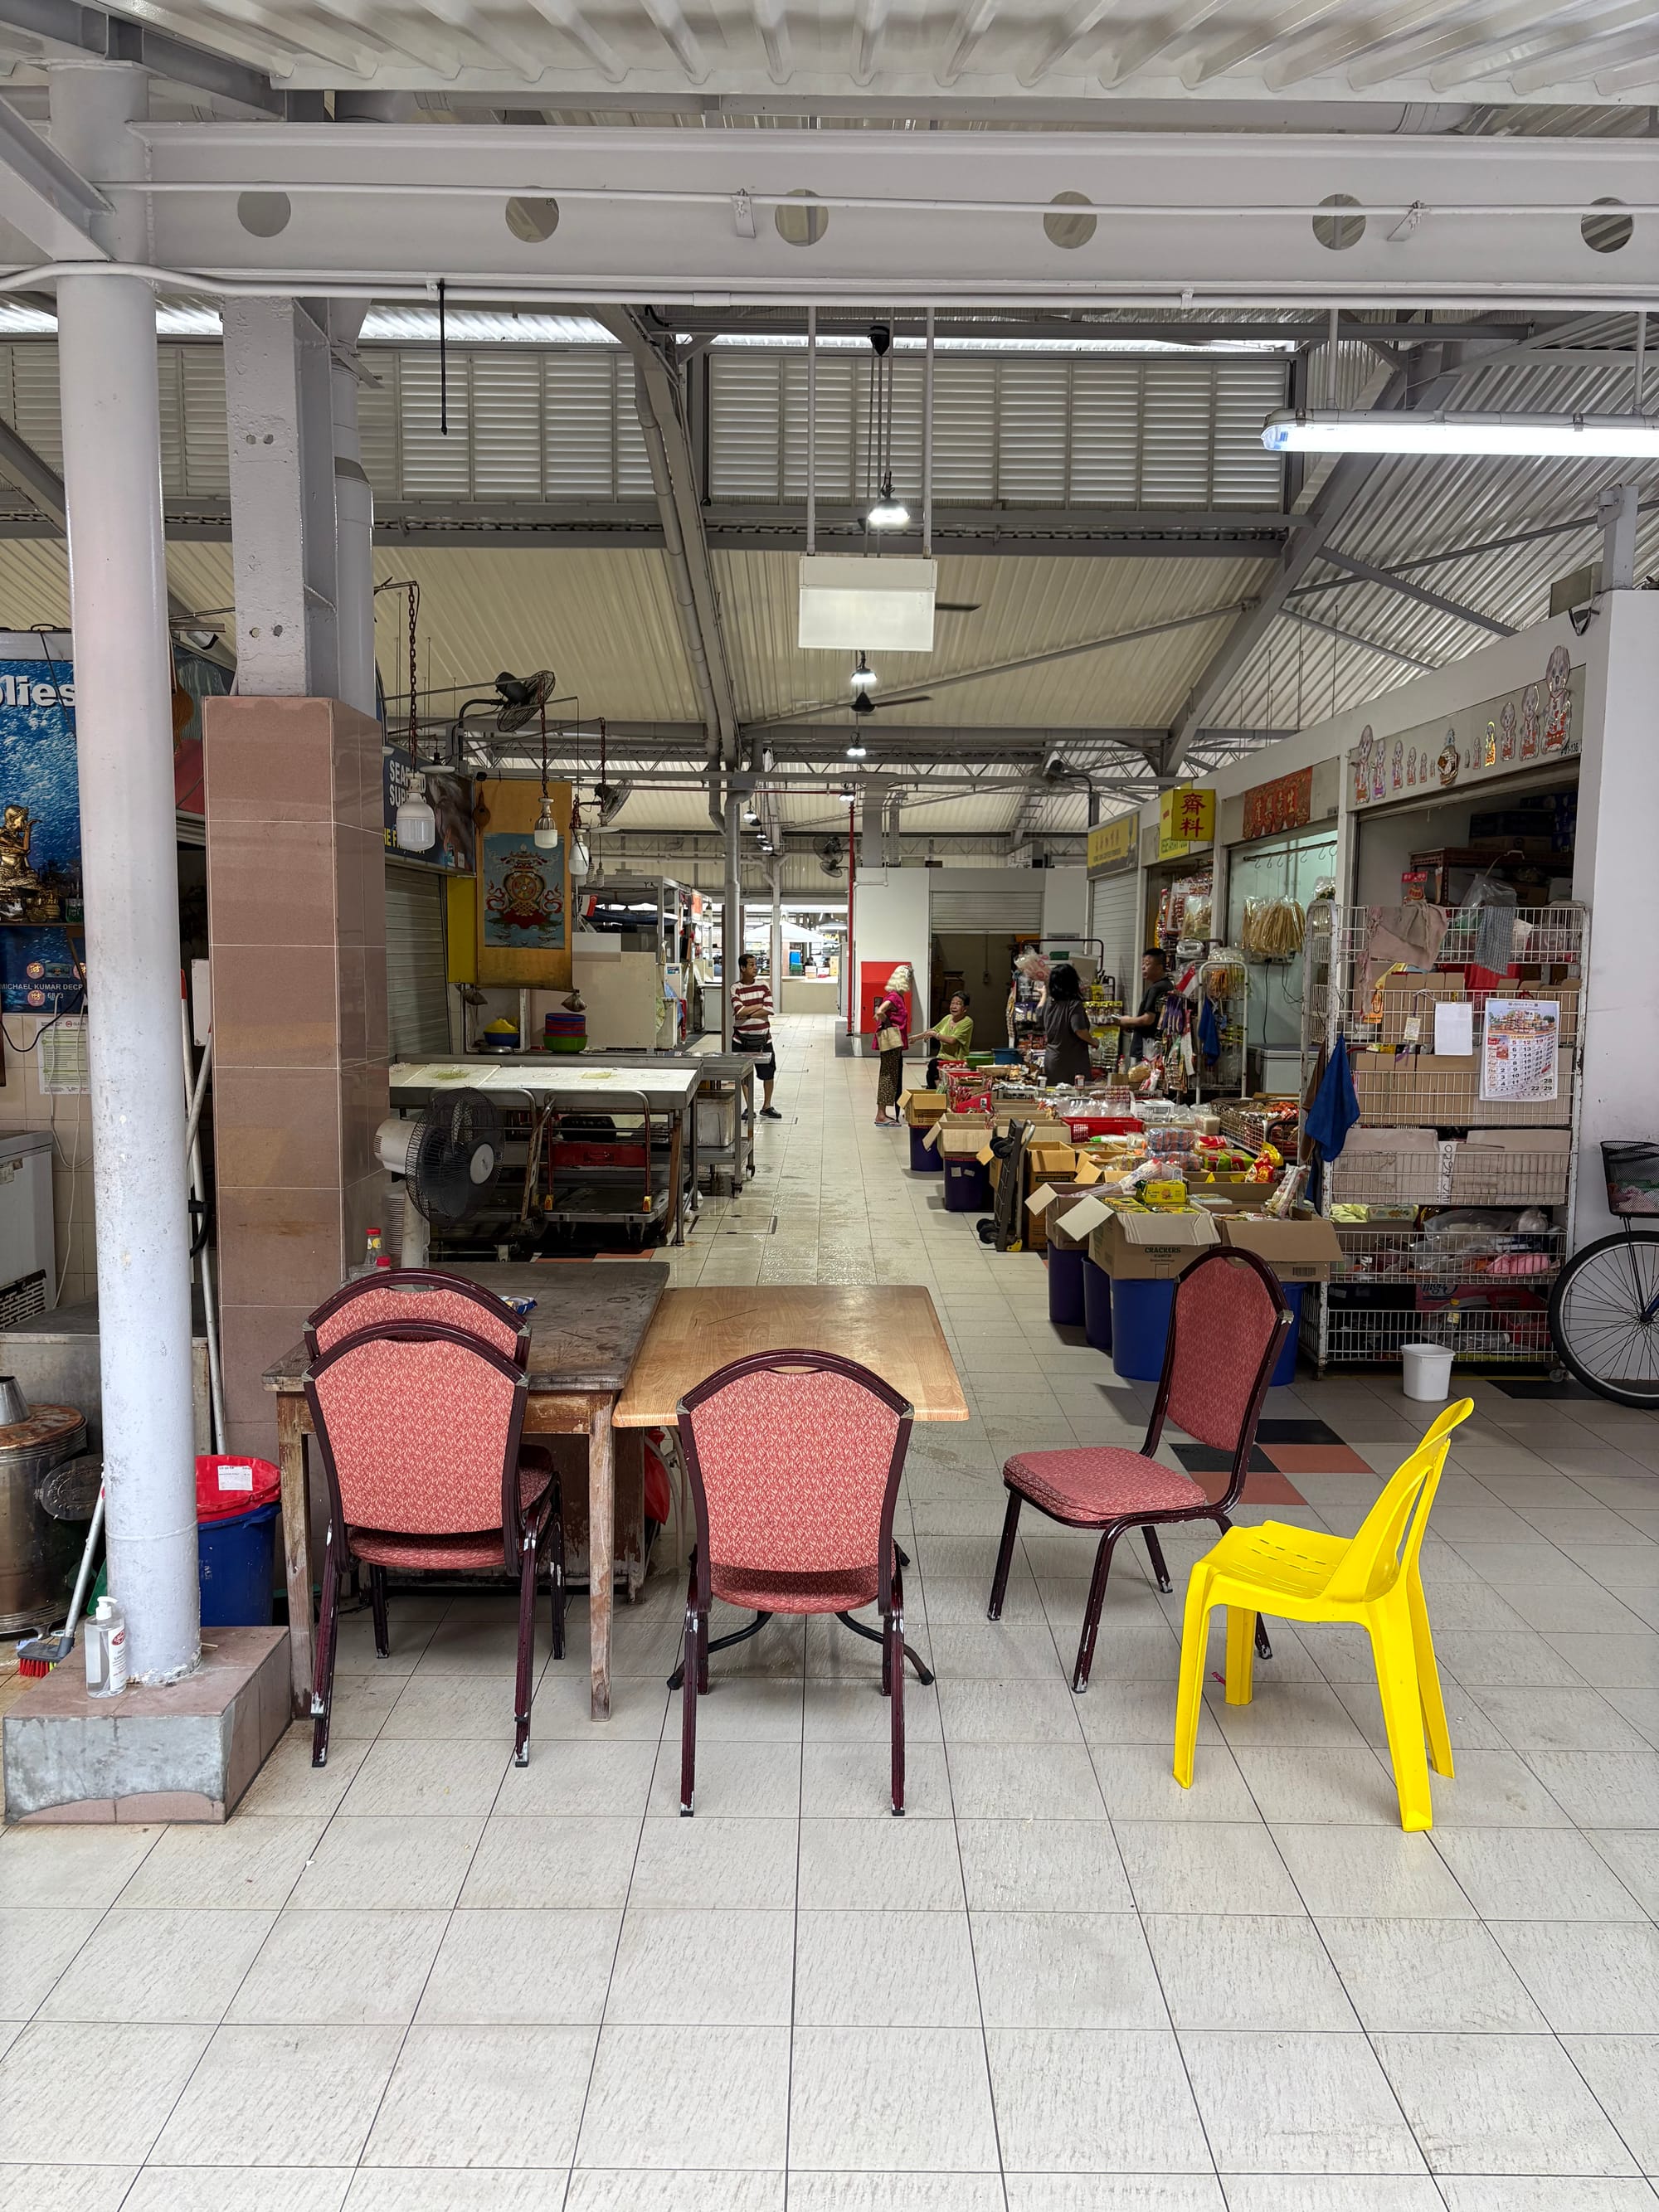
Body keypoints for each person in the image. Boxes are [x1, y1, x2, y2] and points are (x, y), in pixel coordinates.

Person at [731, 951, 781, 1118]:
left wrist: (747, 1013)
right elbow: (738, 1010)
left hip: (763, 1039)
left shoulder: (763, 986)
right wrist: (758, 1007)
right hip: (741, 1040)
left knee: (769, 1072)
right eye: (751, 965)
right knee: (744, 1074)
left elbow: (769, 1009)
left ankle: (767, 1106)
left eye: (756, 964)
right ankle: (749, 1107)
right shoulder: (735, 988)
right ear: (742, 968)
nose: (755, 968)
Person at [1040, 961, 1093, 1087]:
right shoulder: (1074, 1004)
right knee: (1075, 1095)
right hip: (1071, 1062)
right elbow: (1079, 1030)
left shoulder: (1049, 1002)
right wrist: (1093, 1041)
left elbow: (1038, 1014)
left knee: (1053, 1095)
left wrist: (1043, 994)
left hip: (1052, 1059)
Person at [1118, 946, 1171, 1064]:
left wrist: (1126, 1020)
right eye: (1143, 964)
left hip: (1148, 1047)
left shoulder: (1156, 988)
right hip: (1157, 1044)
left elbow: (1148, 1019)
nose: (1143, 967)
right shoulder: (1167, 985)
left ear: (1159, 968)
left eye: (1147, 964)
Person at [871, 985, 909, 1125]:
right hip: (891, 1042)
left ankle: (882, 1113)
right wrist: (887, 1022)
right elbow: (880, 1011)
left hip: (895, 1043)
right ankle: (881, 1115)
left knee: (890, 1075)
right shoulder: (894, 997)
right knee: (888, 1076)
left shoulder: (897, 996)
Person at [919, 991, 973, 1089]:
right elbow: (932, 1031)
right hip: (942, 1058)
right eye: (952, 1003)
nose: (954, 1007)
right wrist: (914, 1038)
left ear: (965, 1008)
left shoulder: (967, 1022)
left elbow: (952, 1040)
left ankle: (941, 1090)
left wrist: (936, 1035)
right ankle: (936, 1091)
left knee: (933, 1064)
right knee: (930, 1073)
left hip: (957, 1061)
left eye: (958, 1004)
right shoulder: (948, 1018)